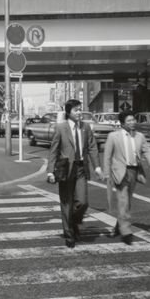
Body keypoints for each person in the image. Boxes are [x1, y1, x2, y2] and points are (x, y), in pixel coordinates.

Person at [45, 99, 104, 248]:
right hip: (65, 170)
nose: (79, 112)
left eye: (80, 109)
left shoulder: (86, 127)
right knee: (66, 203)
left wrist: (97, 166)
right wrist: (50, 171)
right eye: (76, 110)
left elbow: (92, 147)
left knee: (83, 202)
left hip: (81, 169)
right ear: (68, 112)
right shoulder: (60, 128)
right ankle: (69, 234)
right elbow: (54, 150)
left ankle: (73, 221)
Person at [102, 109, 150, 243]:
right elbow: (107, 156)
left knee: (127, 201)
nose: (133, 122)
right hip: (120, 172)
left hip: (134, 172)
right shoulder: (113, 136)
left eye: (133, 120)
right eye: (129, 120)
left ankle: (118, 226)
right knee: (123, 201)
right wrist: (106, 173)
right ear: (122, 123)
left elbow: (147, 150)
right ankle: (126, 232)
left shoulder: (140, 136)